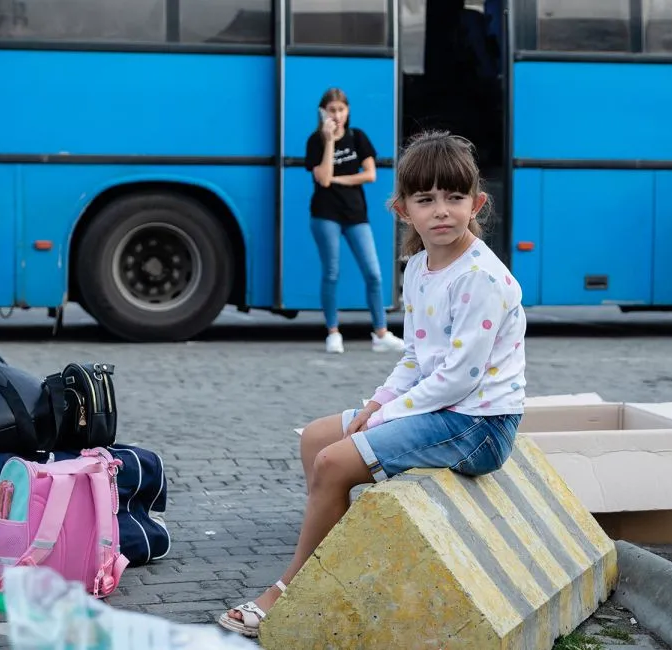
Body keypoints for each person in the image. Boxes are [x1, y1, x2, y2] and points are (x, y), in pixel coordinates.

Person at [218, 131, 527, 638]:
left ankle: (289, 590)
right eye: (425, 199)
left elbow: (456, 380)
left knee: (333, 461)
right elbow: (415, 356)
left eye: (454, 197)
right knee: (316, 438)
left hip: (480, 425)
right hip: (444, 410)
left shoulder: (480, 278)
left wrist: (381, 418)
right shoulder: (420, 266)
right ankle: (332, 563)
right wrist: (376, 403)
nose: (442, 211)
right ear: (403, 210)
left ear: (477, 204)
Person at [306, 87, 405, 355]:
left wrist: (338, 179)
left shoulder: (357, 137)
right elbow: (323, 178)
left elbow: (370, 174)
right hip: (325, 215)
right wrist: (329, 141)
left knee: (373, 273)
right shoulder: (315, 141)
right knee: (331, 273)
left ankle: (381, 333)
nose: (337, 115)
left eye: (341, 110)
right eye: (332, 110)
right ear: (323, 112)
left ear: (347, 111)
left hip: (355, 215)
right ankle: (333, 332)